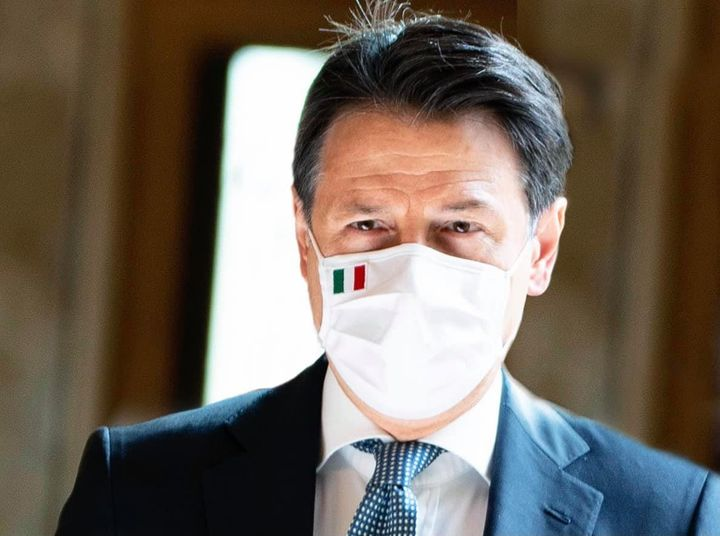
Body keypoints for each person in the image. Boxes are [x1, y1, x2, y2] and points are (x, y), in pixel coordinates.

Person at [56, 2, 719, 535]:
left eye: (460, 227)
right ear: (304, 239)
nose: (412, 274)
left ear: (541, 247)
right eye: (368, 225)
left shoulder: (668, 517)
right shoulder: (135, 491)